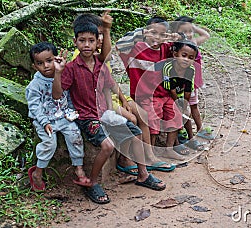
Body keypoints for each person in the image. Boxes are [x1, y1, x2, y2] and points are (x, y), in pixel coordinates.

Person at [52, 22, 165, 204]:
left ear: (98, 42)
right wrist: (58, 73)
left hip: (105, 113)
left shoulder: (101, 66)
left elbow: (111, 84)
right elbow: (57, 94)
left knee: (135, 134)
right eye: (82, 41)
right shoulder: (72, 68)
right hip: (87, 117)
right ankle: (92, 183)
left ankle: (143, 174)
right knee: (108, 145)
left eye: (91, 40)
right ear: (75, 42)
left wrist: (123, 100)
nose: (86, 45)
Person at [72, 13, 175, 175]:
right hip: (99, 103)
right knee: (132, 119)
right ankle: (124, 159)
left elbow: (110, 80)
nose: (100, 40)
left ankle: (149, 156)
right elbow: (106, 56)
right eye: (98, 35)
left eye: (98, 36)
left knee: (142, 114)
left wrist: (122, 99)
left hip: (113, 97)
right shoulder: (85, 56)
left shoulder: (96, 55)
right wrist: (107, 29)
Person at [116, 16, 185, 160]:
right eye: (153, 33)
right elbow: (119, 44)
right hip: (144, 95)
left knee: (176, 115)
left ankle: (169, 148)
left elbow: (181, 44)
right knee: (152, 121)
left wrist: (177, 36)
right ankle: (150, 153)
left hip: (164, 93)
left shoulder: (165, 49)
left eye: (161, 35)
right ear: (145, 32)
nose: (156, 38)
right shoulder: (135, 49)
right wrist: (141, 32)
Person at [25, 42, 90, 192]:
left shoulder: (63, 75)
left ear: (56, 59)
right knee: (49, 143)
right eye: (40, 63)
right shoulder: (35, 85)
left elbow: (70, 95)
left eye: (49, 61)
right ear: (34, 66)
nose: (46, 66)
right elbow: (34, 106)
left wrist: (73, 111)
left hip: (63, 117)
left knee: (75, 136)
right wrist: (44, 122)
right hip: (45, 120)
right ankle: (38, 172)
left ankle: (78, 168)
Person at [170, 16, 214, 140]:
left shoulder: (193, 43)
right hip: (181, 83)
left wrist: (192, 26)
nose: (188, 34)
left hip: (194, 82)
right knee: (183, 108)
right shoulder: (177, 46)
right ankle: (187, 133)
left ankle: (200, 129)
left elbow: (206, 35)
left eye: (190, 31)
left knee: (194, 106)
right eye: (184, 31)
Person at [160, 40, 205, 153]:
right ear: (175, 55)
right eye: (183, 55)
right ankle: (176, 144)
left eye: (191, 57)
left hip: (181, 91)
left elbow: (188, 89)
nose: (186, 59)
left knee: (186, 113)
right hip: (167, 93)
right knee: (175, 113)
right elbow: (170, 89)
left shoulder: (191, 69)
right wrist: (177, 103)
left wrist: (184, 104)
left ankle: (191, 138)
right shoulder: (168, 68)